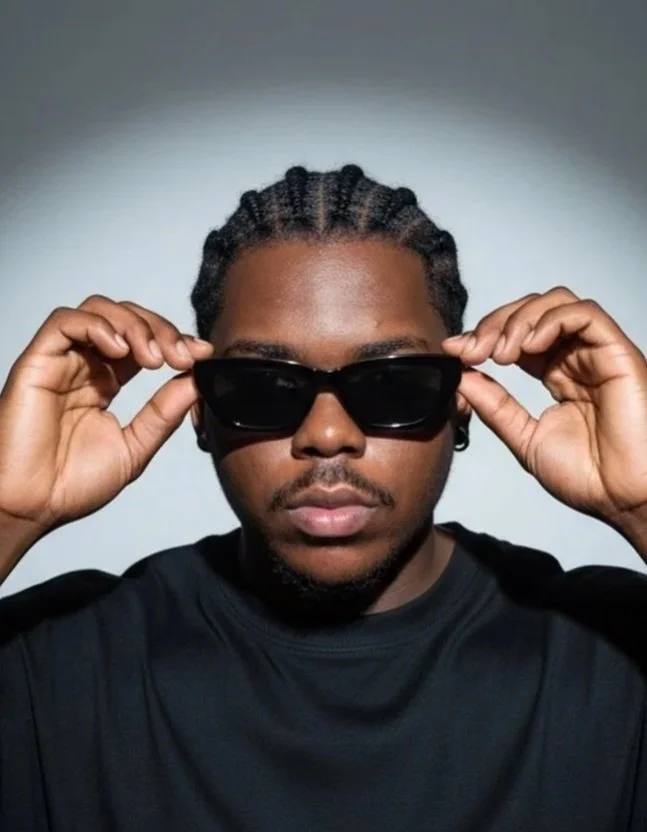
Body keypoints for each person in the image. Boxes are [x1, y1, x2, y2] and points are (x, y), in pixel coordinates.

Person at [0, 164, 646, 832]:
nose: (328, 436)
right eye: (262, 387)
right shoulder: (55, 664)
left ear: (461, 406)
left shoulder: (612, 656)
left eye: (392, 385)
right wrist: (7, 513)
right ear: (200, 411)